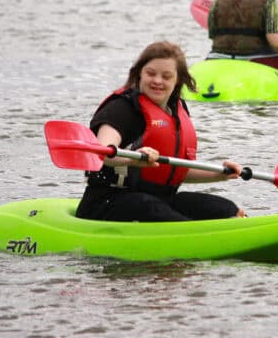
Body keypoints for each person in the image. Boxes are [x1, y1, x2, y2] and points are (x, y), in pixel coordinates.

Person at [75, 41, 247, 222]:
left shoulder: (177, 111)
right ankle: (198, 240)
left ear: (178, 80)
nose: (157, 81)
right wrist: (133, 158)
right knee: (150, 206)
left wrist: (219, 174)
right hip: (107, 202)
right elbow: (102, 152)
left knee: (225, 209)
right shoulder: (122, 108)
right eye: (151, 73)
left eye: (166, 76)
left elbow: (177, 170)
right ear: (139, 74)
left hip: (159, 200)